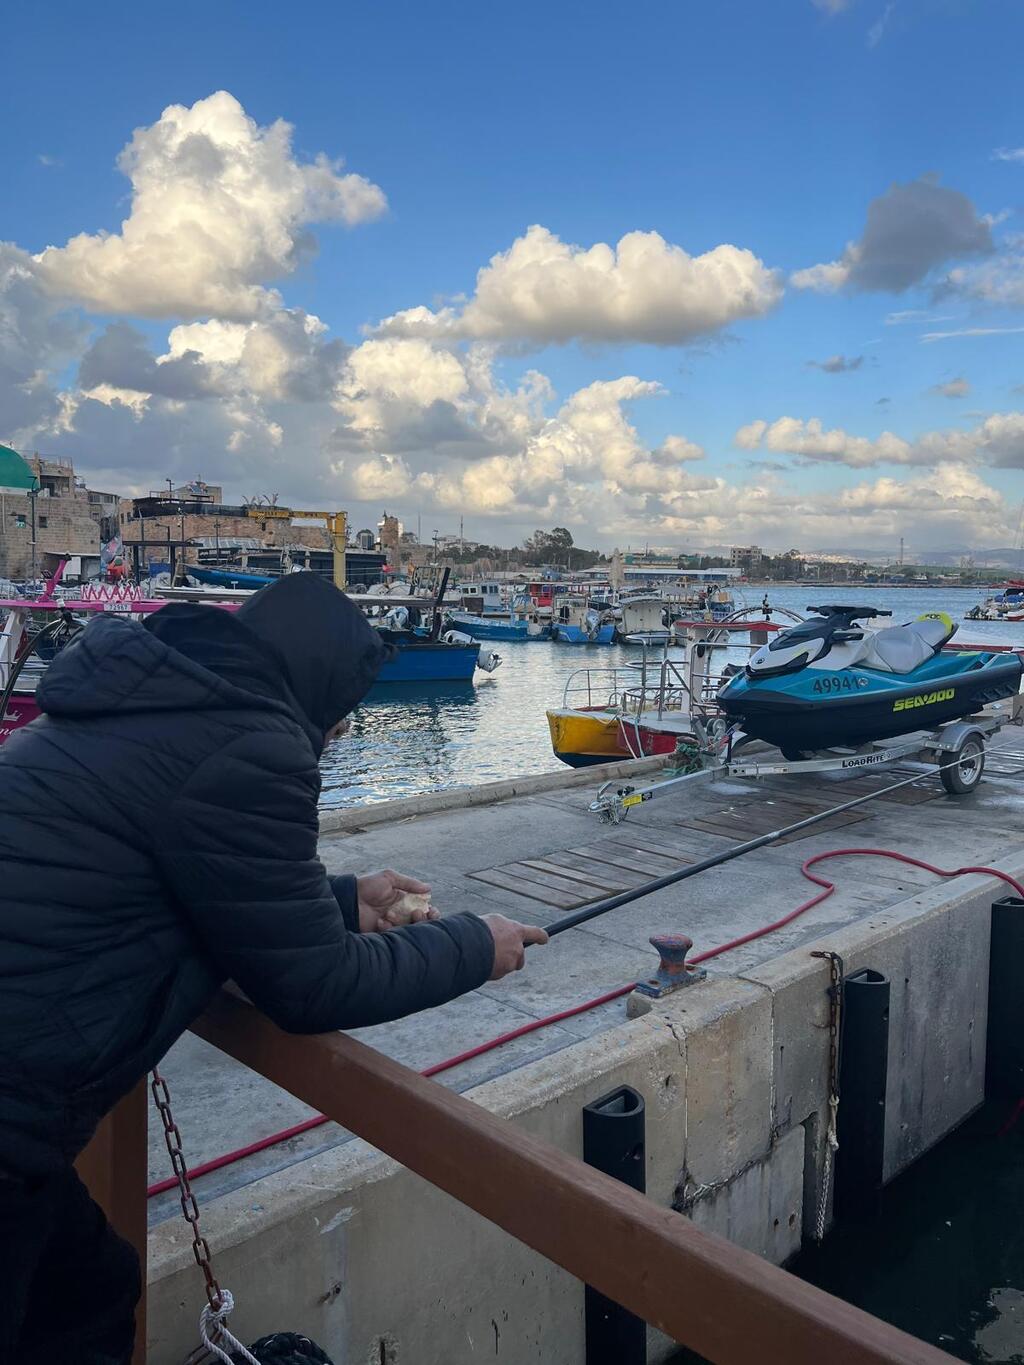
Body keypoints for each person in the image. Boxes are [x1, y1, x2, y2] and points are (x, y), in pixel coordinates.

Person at [0, 573, 546, 1363]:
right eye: (342, 714)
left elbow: (191, 869)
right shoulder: (251, 742)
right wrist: (473, 944)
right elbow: (313, 983)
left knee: (89, 1291)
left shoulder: (159, 700)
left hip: (25, 1121)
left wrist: (345, 895)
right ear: (316, 686)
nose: (339, 732)